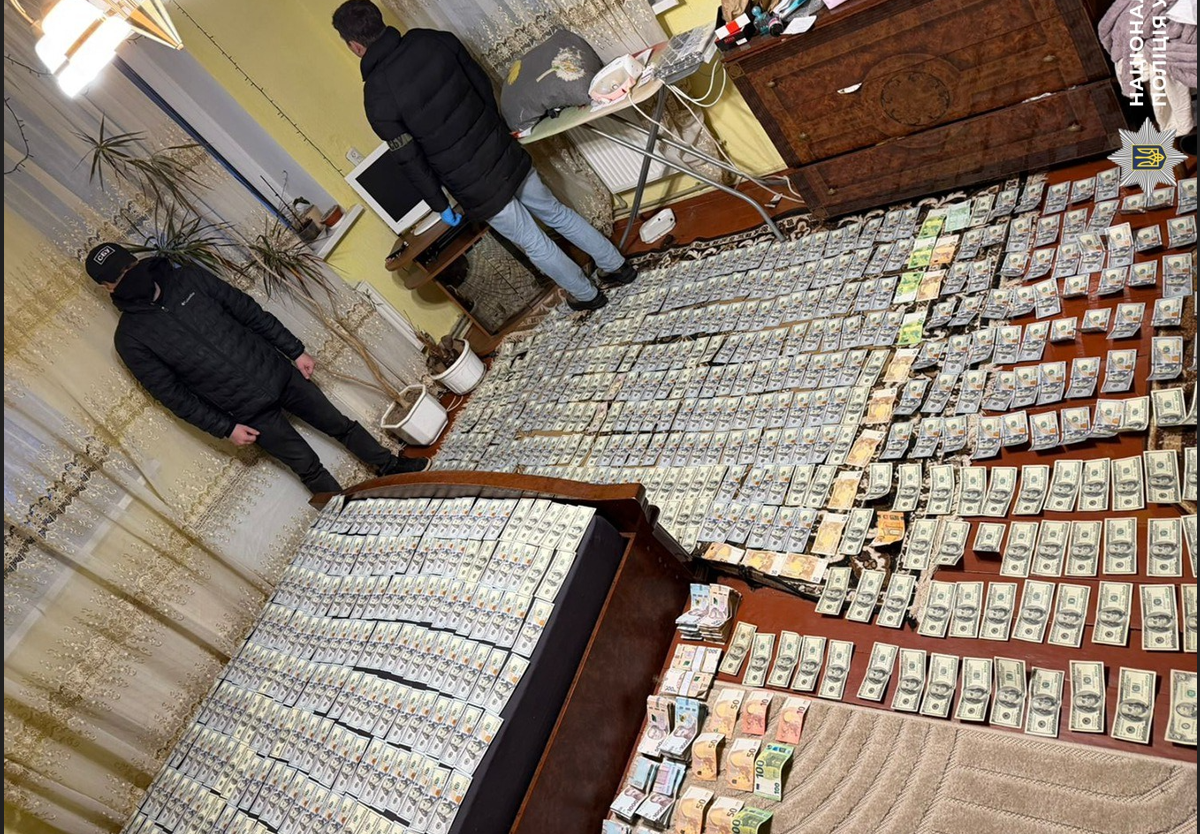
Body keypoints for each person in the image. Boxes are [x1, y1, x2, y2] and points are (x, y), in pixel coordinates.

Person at [332, 0, 636, 312]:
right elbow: (482, 86)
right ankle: (618, 267)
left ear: (355, 46)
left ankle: (587, 295)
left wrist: (439, 204)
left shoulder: (377, 97)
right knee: (555, 212)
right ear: (379, 21)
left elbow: (410, 159)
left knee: (532, 241)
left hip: (472, 183)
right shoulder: (433, 39)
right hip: (500, 148)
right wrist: (495, 132)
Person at [86, 242, 428, 495]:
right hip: (245, 411)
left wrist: (295, 350)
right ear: (107, 288)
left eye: (128, 267)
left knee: (340, 425)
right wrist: (226, 428)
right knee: (307, 467)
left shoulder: (188, 278)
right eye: (118, 277)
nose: (128, 277)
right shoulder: (130, 340)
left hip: (278, 372)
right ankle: (345, 522)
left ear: (137, 261)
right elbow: (174, 397)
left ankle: (390, 466)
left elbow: (247, 311)